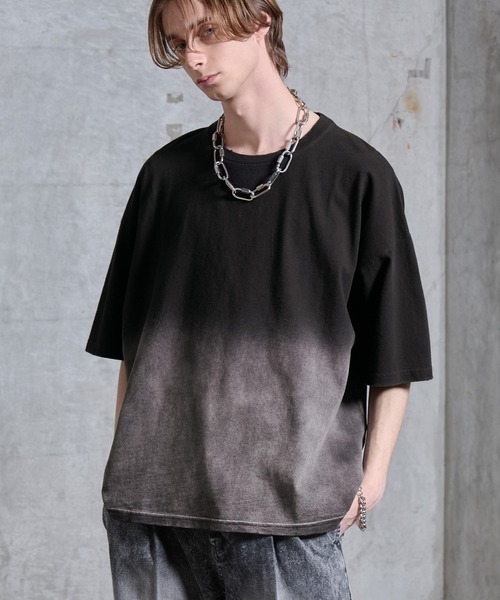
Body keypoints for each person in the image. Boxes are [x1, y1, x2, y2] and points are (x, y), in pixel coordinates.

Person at [86, 0, 433, 597]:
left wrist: (371, 479)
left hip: (289, 512)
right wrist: (127, 469)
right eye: (179, 42)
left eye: (207, 31)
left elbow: (393, 350)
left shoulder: (357, 176)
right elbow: (133, 345)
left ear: (260, 21)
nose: (193, 57)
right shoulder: (164, 178)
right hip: (154, 513)